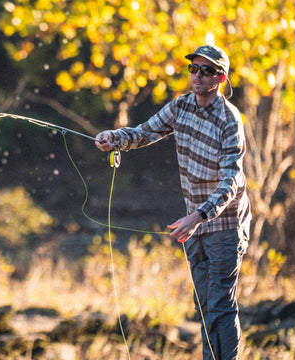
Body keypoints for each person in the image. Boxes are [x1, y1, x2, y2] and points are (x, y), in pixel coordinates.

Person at [95, 44, 251, 360]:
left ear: (220, 78)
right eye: (193, 69)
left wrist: (197, 216)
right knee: (204, 305)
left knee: (220, 304)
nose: (197, 76)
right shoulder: (179, 107)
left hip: (225, 225)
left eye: (206, 71)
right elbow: (143, 133)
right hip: (194, 224)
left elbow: (231, 182)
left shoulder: (230, 120)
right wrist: (115, 138)